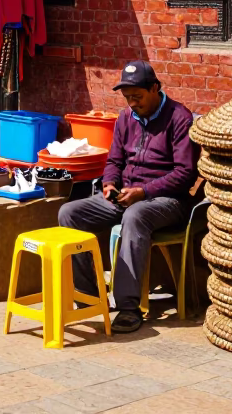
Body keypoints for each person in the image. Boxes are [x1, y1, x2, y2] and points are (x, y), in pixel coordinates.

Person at [58, 60, 199, 333]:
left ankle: (128, 307)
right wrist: (110, 184)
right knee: (69, 213)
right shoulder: (125, 117)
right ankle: (88, 297)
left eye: (138, 96)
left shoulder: (179, 118)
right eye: (128, 98)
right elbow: (114, 160)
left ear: (155, 88)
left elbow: (185, 174)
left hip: (168, 201)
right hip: (127, 195)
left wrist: (144, 192)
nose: (132, 103)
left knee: (135, 216)